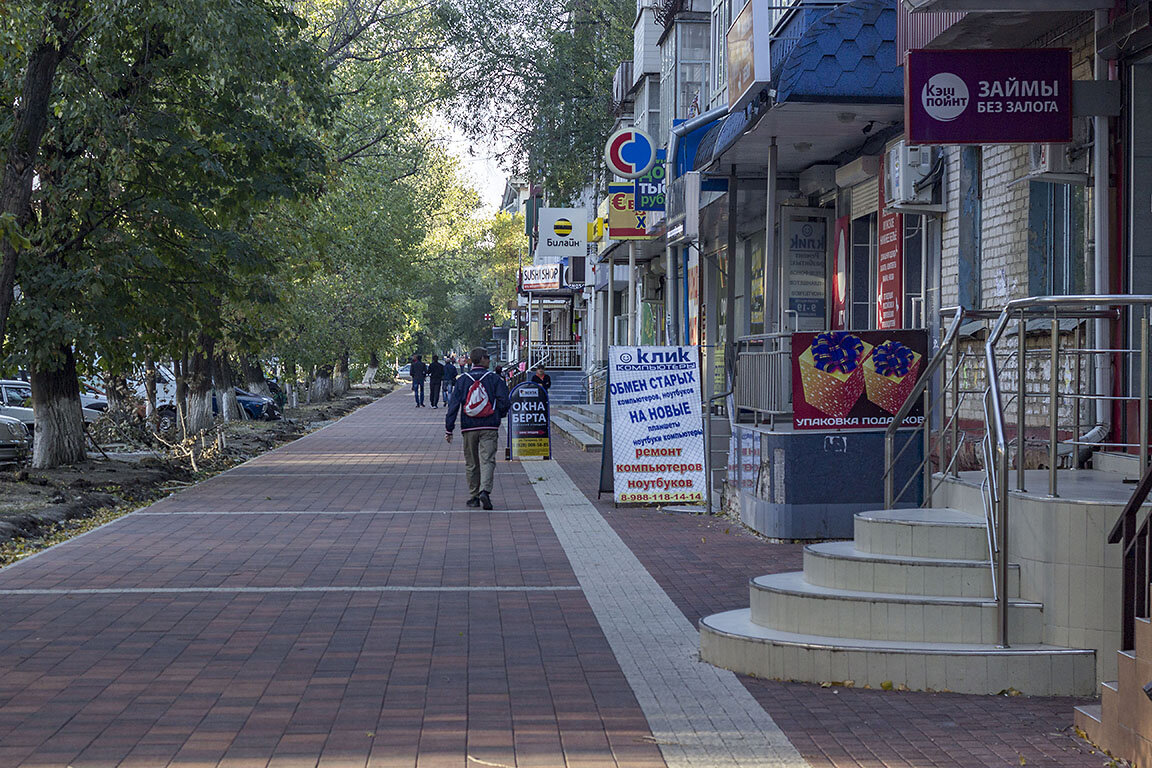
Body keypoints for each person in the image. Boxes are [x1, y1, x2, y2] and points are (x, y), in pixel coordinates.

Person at [445, 347, 511, 509]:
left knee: (471, 462)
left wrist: (449, 428)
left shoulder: (463, 380)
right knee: (488, 460)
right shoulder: (494, 379)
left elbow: (453, 405)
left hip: (469, 427)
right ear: (481, 359)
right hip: (489, 426)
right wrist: (498, 416)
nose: (489, 360)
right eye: (487, 357)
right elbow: (505, 401)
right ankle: (485, 491)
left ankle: (474, 496)